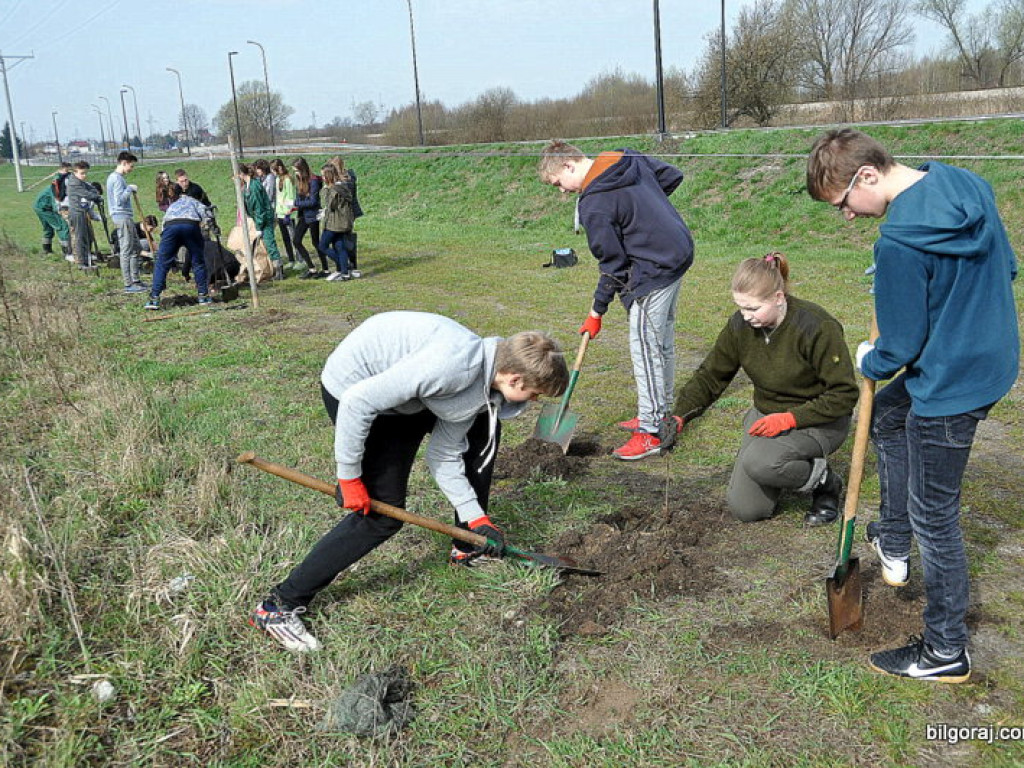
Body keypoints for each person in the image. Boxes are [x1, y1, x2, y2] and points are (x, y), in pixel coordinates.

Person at [806, 128, 1019, 683]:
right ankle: (892, 536)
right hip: (991, 359)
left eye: (844, 203)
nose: (847, 216)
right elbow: (1009, 269)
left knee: (937, 515)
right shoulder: (965, 185)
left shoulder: (899, 240)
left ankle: (946, 648)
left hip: (951, 383)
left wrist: (870, 359)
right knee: (888, 416)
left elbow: (899, 347)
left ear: (868, 176)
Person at [249, 312, 570, 651]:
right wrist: (349, 476)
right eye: (536, 394)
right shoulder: (451, 367)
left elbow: (444, 457)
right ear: (516, 379)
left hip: (409, 394)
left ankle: (467, 545)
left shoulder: (483, 383)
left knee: (481, 435)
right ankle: (277, 607)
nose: (534, 402)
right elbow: (359, 401)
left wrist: (476, 518)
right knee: (381, 516)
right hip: (357, 391)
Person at [673, 253, 857, 525]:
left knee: (761, 463)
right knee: (747, 509)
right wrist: (680, 415)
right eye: (741, 308)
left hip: (819, 420)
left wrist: (790, 418)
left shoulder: (817, 327)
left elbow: (844, 394)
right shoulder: (740, 326)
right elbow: (711, 375)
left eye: (754, 309)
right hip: (766, 417)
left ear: (779, 297)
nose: (746, 317)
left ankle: (825, 482)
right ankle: (785, 467)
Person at [539, 140, 695, 460]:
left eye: (559, 184)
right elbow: (671, 176)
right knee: (660, 342)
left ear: (569, 165)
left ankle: (651, 431)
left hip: (654, 269)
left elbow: (612, 266)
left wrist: (596, 311)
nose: (562, 192)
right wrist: (647, 217)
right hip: (678, 252)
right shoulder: (623, 157)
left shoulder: (593, 203)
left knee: (645, 346)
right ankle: (657, 411)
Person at [144, 182, 212, 310]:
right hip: (190, 226)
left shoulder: (171, 206)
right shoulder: (193, 201)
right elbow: (207, 214)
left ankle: (154, 298)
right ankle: (203, 295)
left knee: (162, 263)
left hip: (170, 228)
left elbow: (164, 225)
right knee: (198, 261)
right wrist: (210, 224)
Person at [106, 151, 147, 294]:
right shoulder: (116, 179)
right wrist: (129, 189)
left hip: (126, 217)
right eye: (131, 165)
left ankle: (136, 280)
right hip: (121, 216)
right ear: (123, 163)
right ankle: (128, 284)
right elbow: (119, 201)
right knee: (126, 249)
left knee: (136, 248)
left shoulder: (118, 178)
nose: (132, 169)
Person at [238, 163, 284, 280]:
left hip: (264, 219)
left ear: (241, 174)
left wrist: (259, 227)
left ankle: (279, 271)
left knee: (269, 243)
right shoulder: (247, 186)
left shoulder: (254, 187)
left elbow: (259, 208)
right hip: (258, 219)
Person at [291, 157, 328, 279]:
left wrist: (296, 204)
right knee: (296, 240)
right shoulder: (300, 180)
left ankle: (325, 269)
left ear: (302, 169)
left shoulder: (314, 181)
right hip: (303, 215)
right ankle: (311, 268)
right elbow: (299, 197)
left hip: (313, 215)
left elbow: (313, 202)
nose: (295, 173)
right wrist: (293, 203)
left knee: (316, 242)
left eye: (297, 171)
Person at [318, 162, 354, 281]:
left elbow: (330, 205)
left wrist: (325, 190)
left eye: (323, 176)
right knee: (340, 246)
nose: (322, 178)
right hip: (343, 223)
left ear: (328, 176)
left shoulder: (334, 189)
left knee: (322, 246)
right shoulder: (343, 186)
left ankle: (345, 266)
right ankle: (345, 273)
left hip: (334, 223)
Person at [330, 155, 364, 278]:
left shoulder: (345, 180)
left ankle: (350, 265)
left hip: (346, 213)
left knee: (344, 239)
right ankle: (350, 264)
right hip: (350, 212)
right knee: (346, 238)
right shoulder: (350, 176)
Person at [65, 161, 102, 269]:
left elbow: (91, 188)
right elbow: (87, 194)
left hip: (83, 212)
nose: (84, 175)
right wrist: (96, 197)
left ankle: (87, 260)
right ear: (75, 172)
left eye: (85, 173)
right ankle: (82, 263)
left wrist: (95, 193)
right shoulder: (74, 183)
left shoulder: (80, 181)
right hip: (77, 213)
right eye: (82, 173)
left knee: (88, 237)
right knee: (80, 238)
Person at [33, 164, 71, 256]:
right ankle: (67, 253)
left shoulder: (60, 182)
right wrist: (65, 215)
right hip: (45, 208)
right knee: (62, 226)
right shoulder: (56, 185)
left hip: (39, 206)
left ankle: (47, 250)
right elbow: (56, 204)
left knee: (48, 228)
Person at [270, 158, 298, 268]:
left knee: (293, 238)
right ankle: (291, 259)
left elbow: (290, 197)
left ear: (278, 168)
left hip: (288, 214)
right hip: (279, 213)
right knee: (285, 238)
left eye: (273, 169)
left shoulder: (288, 180)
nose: (272, 172)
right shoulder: (277, 179)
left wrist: (288, 213)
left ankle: (299, 259)